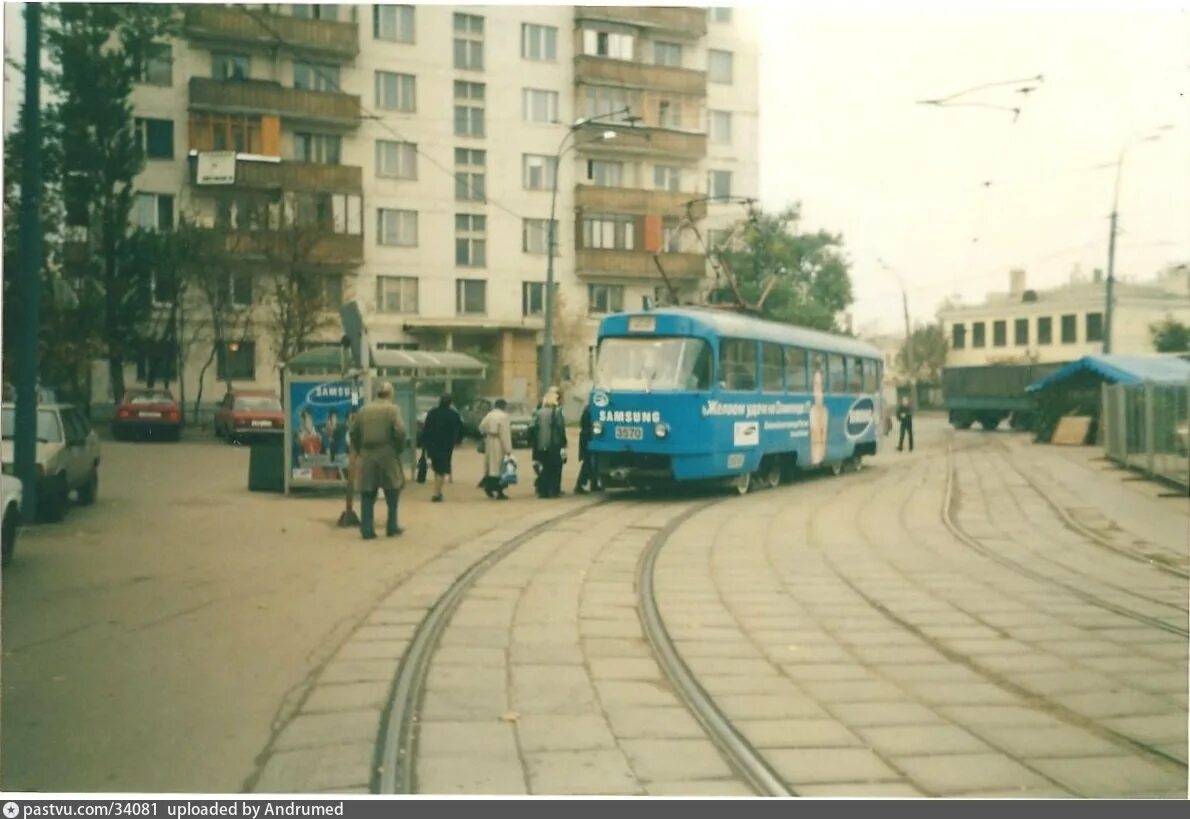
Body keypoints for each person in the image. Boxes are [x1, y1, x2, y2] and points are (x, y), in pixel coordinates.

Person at [348, 382, 407, 539]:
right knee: (393, 490)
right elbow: (400, 431)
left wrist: (361, 449)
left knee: (367, 492)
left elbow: (353, 432)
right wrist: (397, 449)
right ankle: (392, 526)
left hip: (367, 455)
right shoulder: (392, 410)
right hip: (387, 453)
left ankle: (367, 529)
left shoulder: (363, 410)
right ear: (390, 394)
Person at [421, 394, 465, 503]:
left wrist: (424, 443)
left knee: (437, 468)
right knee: (442, 469)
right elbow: (461, 429)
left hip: (432, 445)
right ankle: (436, 493)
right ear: (450, 403)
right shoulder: (453, 414)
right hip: (446, 445)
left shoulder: (432, 413)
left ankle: (438, 491)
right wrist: (458, 441)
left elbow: (425, 429)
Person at [531, 386, 568, 498]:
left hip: (540, 445)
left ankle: (543, 490)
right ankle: (553, 490)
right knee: (555, 468)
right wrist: (564, 443)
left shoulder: (538, 413)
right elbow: (560, 429)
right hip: (554, 445)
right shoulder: (556, 413)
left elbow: (532, 428)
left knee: (545, 468)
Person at [478, 398, 513, 500]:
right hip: (499, 443)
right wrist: (508, 450)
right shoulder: (504, 417)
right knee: (500, 467)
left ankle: (488, 487)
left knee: (490, 466)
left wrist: (487, 434)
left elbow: (481, 427)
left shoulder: (489, 415)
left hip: (490, 441)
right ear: (504, 406)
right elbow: (505, 434)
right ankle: (499, 491)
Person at [574, 401, 602, 494]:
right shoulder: (590, 411)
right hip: (587, 439)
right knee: (588, 463)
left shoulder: (588, 409)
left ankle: (593, 484)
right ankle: (580, 485)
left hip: (587, 439)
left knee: (592, 463)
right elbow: (586, 426)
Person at [809, 366, 829, 465]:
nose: (818, 392)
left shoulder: (825, 413)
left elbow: (824, 440)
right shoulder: (811, 412)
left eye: (820, 386)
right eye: (816, 386)